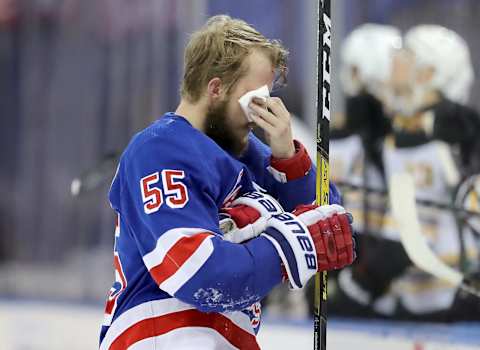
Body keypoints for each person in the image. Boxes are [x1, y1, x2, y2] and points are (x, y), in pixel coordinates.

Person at [99, 15, 356, 350]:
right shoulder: (159, 149)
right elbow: (196, 271)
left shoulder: (248, 154)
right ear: (216, 89)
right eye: (253, 101)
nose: (259, 114)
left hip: (225, 337)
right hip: (163, 335)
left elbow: (329, 225)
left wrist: (289, 159)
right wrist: (290, 246)